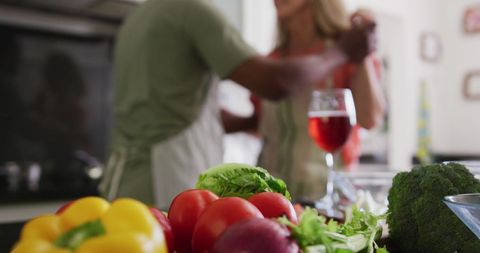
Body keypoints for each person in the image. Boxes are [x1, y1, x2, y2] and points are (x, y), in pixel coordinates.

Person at [99, 0, 376, 209]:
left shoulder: (139, 17)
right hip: (170, 180)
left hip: (125, 179)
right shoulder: (194, 13)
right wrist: (345, 50)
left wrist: (357, 54)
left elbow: (174, 107)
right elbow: (276, 84)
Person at [255, 0, 386, 201]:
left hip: (331, 201)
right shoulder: (271, 62)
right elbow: (260, 125)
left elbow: (370, 119)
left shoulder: (347, 50)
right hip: (271, 199)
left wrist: (361, 52)